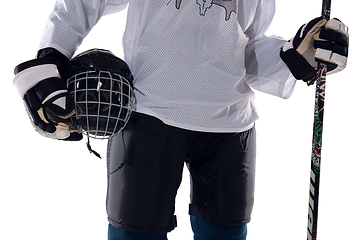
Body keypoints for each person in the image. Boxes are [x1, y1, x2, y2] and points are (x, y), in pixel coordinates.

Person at [13, 0, 349, 239]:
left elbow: (247, 46)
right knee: (135, 233)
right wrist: (52, 57)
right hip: (148, 116)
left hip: (230, 125)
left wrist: (295, 57)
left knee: (227, 233)